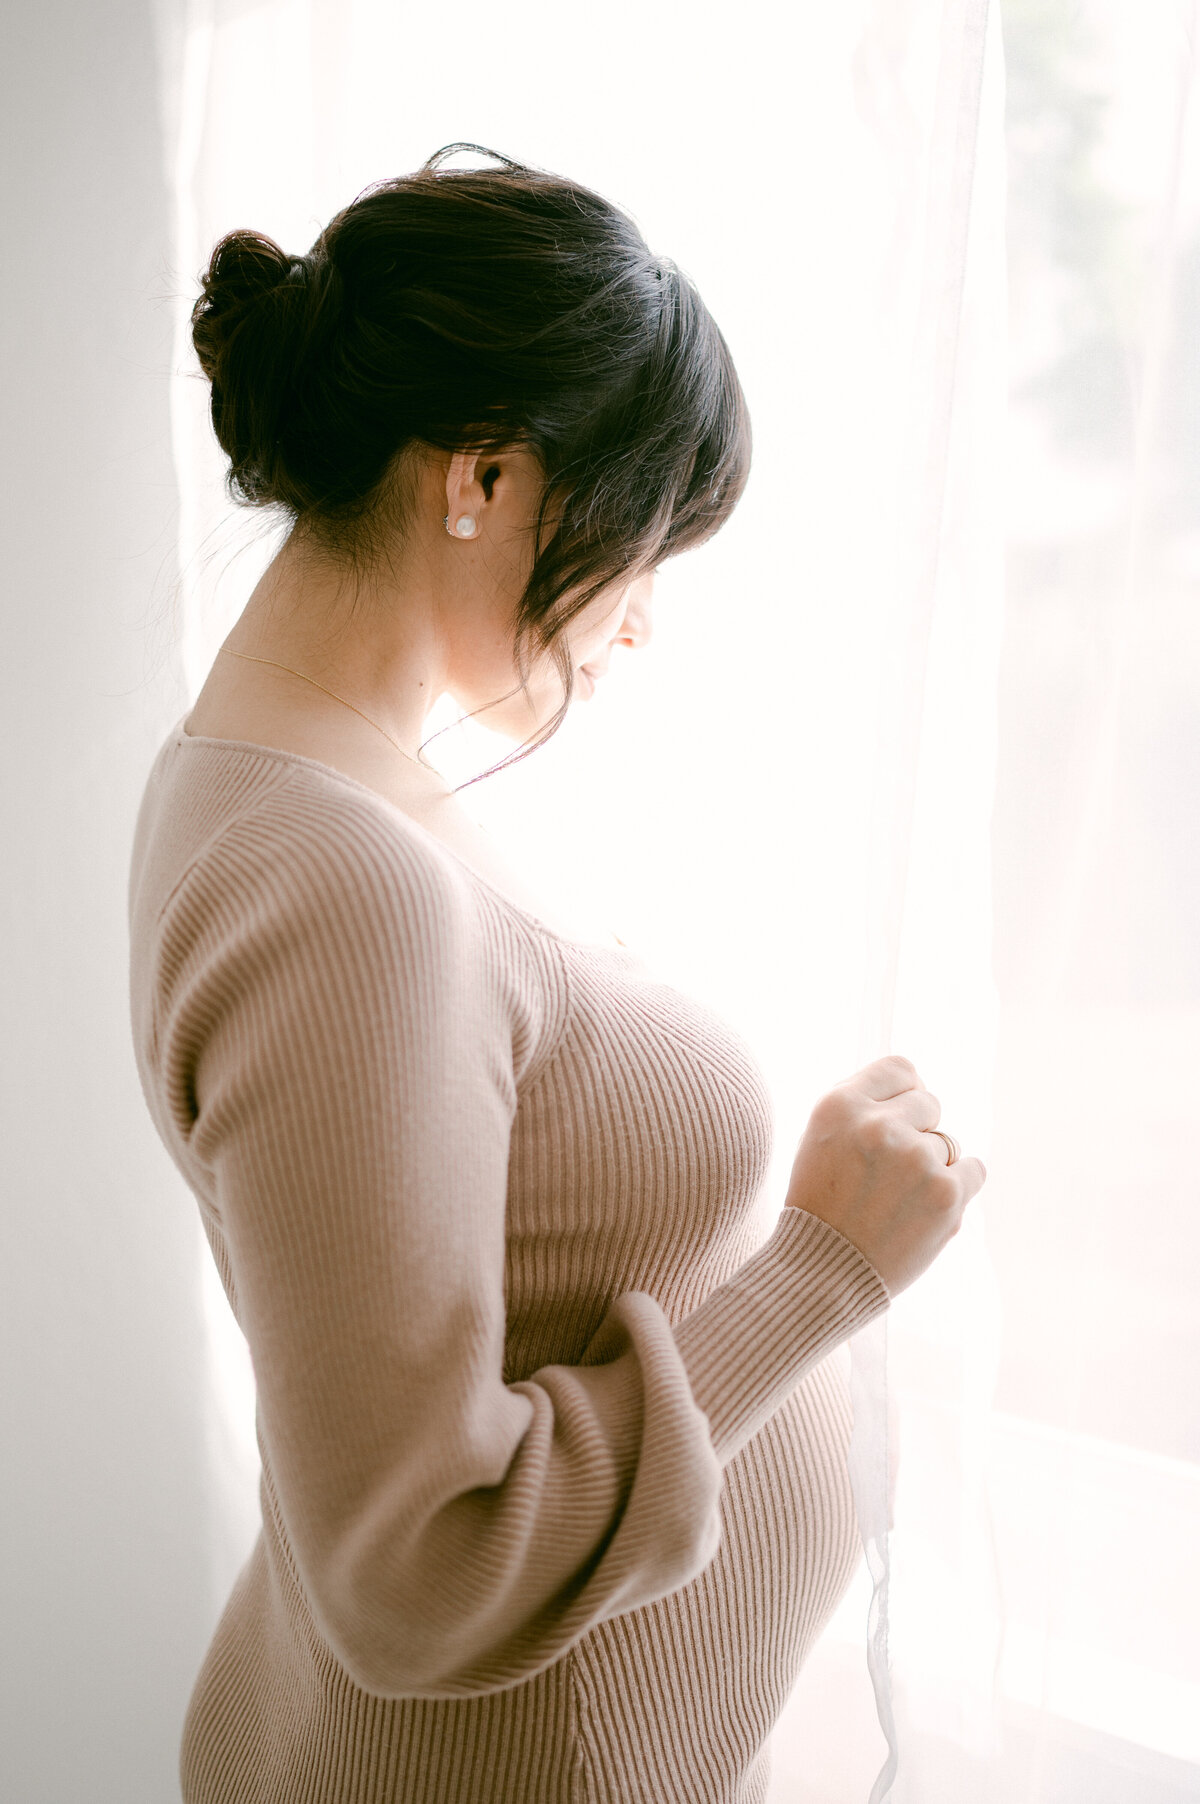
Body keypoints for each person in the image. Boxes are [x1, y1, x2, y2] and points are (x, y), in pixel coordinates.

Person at [127, 143, 986, 1804]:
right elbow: (411, 1575)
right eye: (645, 537)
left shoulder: (291, 775)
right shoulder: (339, 880)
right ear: (489, 479)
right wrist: (820, 1273)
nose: (645, 616)